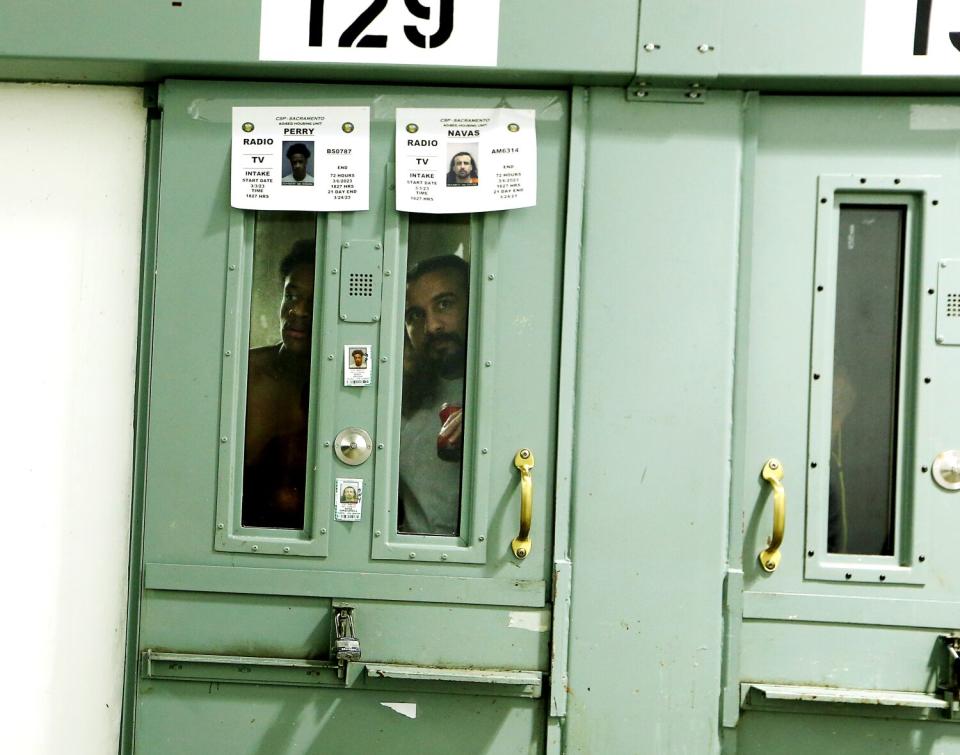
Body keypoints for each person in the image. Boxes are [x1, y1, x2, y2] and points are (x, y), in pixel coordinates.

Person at [242, 239, 315, 528]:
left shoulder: (352, 388)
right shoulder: (247, 372)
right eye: (292, 296)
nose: (298, 311)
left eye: (315, 300)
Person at [398, 255, 469, 535]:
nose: (432, 326)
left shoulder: (514, 391)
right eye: (415, 315)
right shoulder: (399, 400)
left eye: (444, 305)